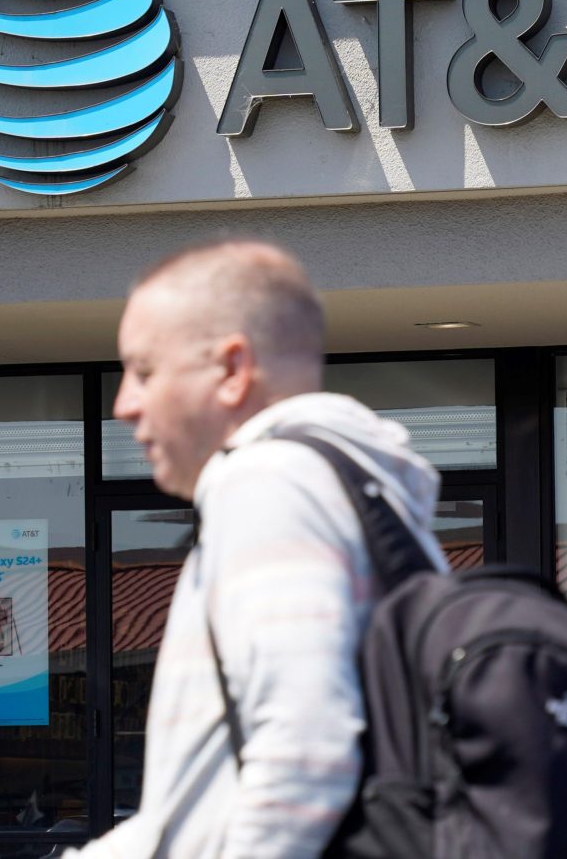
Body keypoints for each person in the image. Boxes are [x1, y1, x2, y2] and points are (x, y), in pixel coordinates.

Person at [72, 239, 446, 859]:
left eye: (144, 372)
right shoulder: (349, 492)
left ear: (232, 370)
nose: (124, 406)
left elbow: (304, 746)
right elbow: (200, 805)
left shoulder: (268, 485)